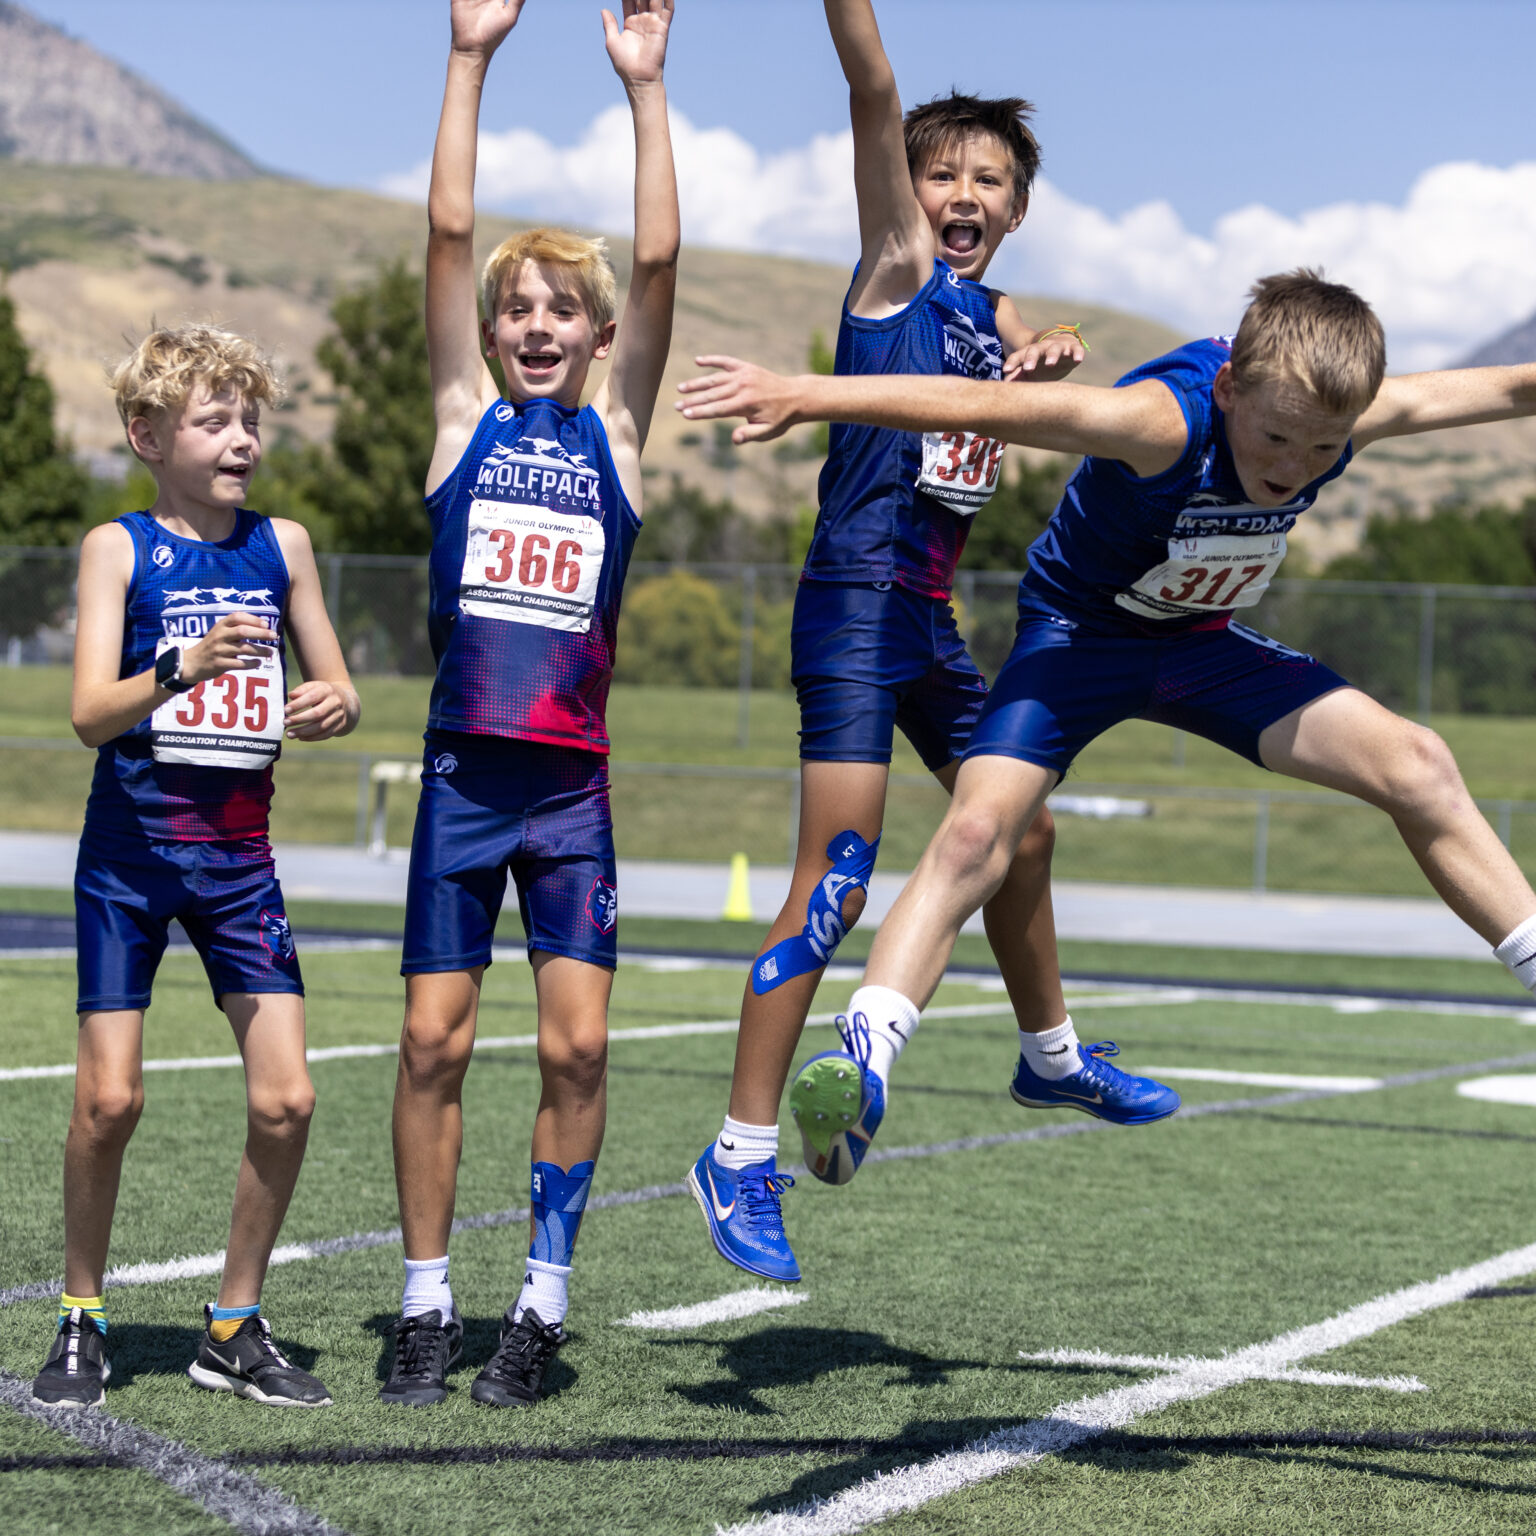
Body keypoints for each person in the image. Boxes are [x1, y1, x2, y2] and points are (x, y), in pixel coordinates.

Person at [678, 268, 1536, 1165]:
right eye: (1278, 439)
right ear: (1233, 389)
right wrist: (802, 392)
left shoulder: (1340, 412)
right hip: (1077, 641)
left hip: (1201, 646)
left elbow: (1514, 385)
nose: (1293, 471)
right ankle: (865, 1066)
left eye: (1323, 451)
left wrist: (1322, 440)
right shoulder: (1162, 423)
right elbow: (972, 404)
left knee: (1420, 764)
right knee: (977, 833)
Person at [686, 0, 1176, 1290]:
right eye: (943, 173)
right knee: (835, 882)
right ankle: (737, 1151)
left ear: (1017, 209)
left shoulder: (991, 313)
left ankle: (1051, 1054)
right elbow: (869, 78)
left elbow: (1020, 339)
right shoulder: (895, 271)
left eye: (991, 182)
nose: (963, 193)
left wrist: (1048, 347)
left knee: (1024, 824)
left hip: (930, 626)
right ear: (905, 191)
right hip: (851, 607)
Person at [381, 0, 677, 1409]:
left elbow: (663, 253)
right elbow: (445, 235)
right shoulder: (463, 426)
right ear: (493, 334)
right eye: (519, 309)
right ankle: (424, 1305)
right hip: (458, 781)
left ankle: (541, 1308)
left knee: (576, 1045)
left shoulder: (618, 442)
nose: (538, 324)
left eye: (566, 310)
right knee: (434, 1042)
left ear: (603, 334)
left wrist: (646, 87)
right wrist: (469, 54)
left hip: (569, 793)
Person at [31, 324, 360, 1410]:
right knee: (109, 1101)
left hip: (240, 867)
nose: (241, 440)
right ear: (147, 435)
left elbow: (339, 689)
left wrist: (331, 705)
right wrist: (180, 664)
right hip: (128, 862)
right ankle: (82, 1315)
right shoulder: (116, 549)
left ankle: (231, 1325)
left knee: (288, 1100)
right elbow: (87, 714)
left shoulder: (287, 547)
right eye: (214, 421)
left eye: (251, 420)